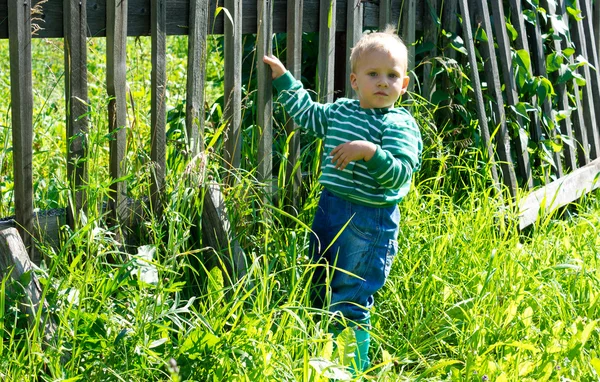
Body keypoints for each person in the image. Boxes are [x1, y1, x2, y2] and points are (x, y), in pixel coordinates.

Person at [263, 27, 422, 375]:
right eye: (373, 74)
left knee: (351, 294)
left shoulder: (399, 125)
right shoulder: (341, 113)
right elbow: (308, 114)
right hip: (330, 208)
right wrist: (284, 79)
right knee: (318, 279)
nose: (383, 82)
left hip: (369, 221)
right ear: (354, 80)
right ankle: (318, 352)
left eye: (392, 76)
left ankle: (350, 369)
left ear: (404, 84)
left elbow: (399, 175)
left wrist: (370, 153)